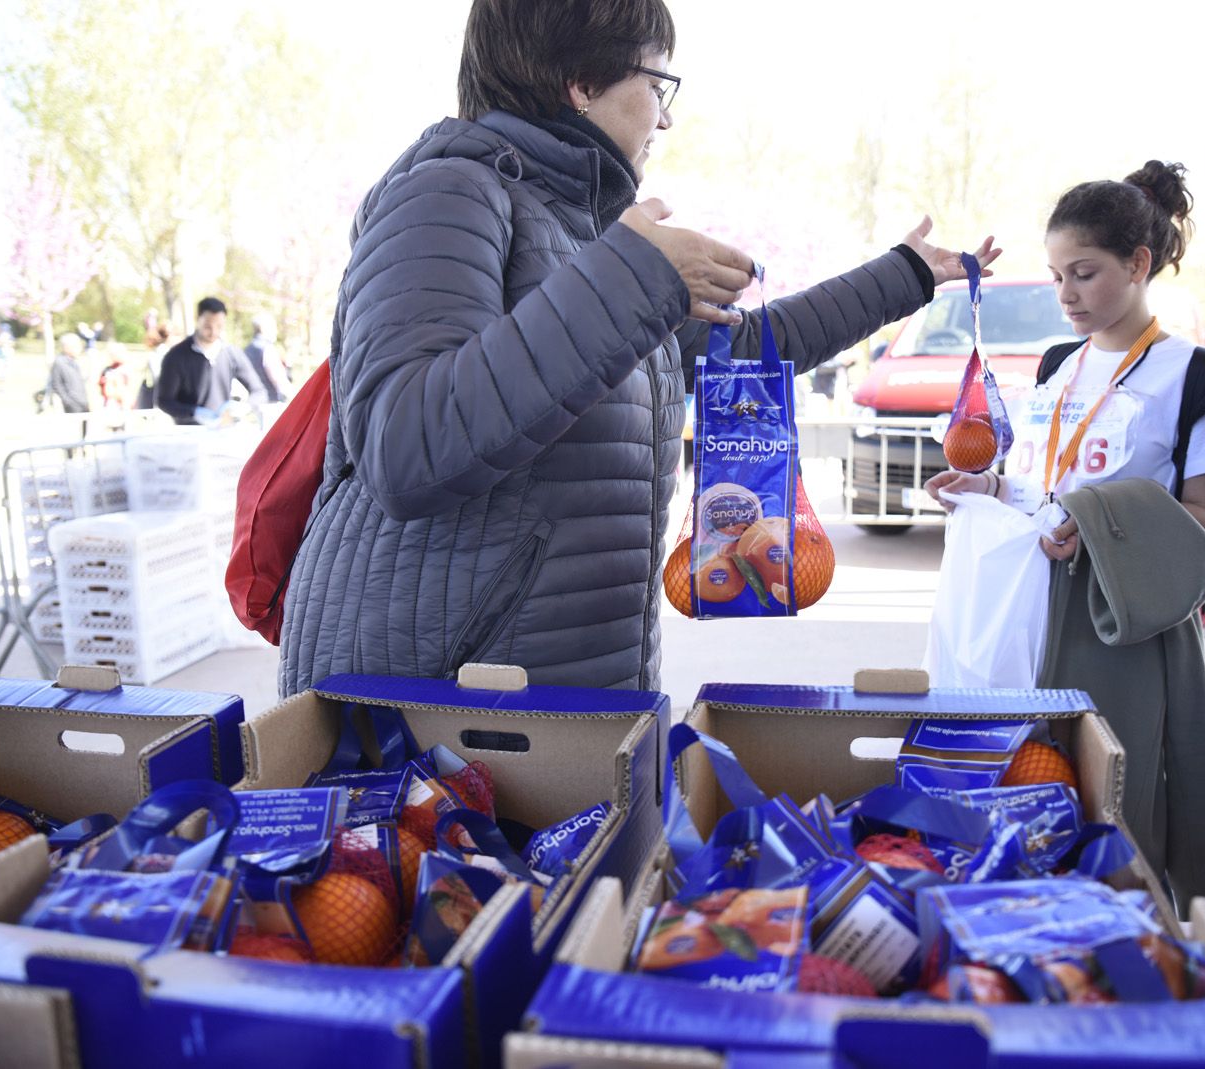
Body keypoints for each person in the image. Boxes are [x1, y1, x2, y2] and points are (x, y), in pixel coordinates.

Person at [278, 0, 997, 697]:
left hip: (552, 689)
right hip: (433, 700)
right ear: (583, 83)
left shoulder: (584, 238)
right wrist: (633, 276)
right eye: (657, 84)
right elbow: (406, 442)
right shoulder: (445, 193)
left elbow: (741, 350)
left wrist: (900, 276)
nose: (667, 115)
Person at [925, 162, 1205, 911]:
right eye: (1057, 274)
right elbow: (1044, 489)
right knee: (1018, 790)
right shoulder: (1058, 365)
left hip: (1117, 631)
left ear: (1139, 265)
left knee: (1109, 818)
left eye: (1084, 273)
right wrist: (992, 487)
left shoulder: (1196, 377)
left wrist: (1096, 524)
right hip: (1024, 615)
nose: (1065, 294)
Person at [156, 296, 266, 425]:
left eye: (219, 326)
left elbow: (259, 391)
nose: (214, 332)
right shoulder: (176, 356)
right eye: (208, 326)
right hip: (189, 431)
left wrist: (244, 407)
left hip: (222, 430)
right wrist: (194, 412)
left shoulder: (231, 353)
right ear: (198, 320)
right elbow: (164, 401)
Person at [243, 312, 289, 403]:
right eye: (273, 327)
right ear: (263, 328)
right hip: (270, 401)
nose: (276, 331)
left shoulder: (247, 349)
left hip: (254, 401)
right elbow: (277, 378)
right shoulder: (267, 349)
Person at [42, 332, 91, 414]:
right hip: (72, 405)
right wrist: (69, 402)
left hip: (82, 402)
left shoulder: (74, 362)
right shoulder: (59, 362)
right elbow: (57, 385)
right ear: (67, 347)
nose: (80, 349)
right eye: (76, 346)